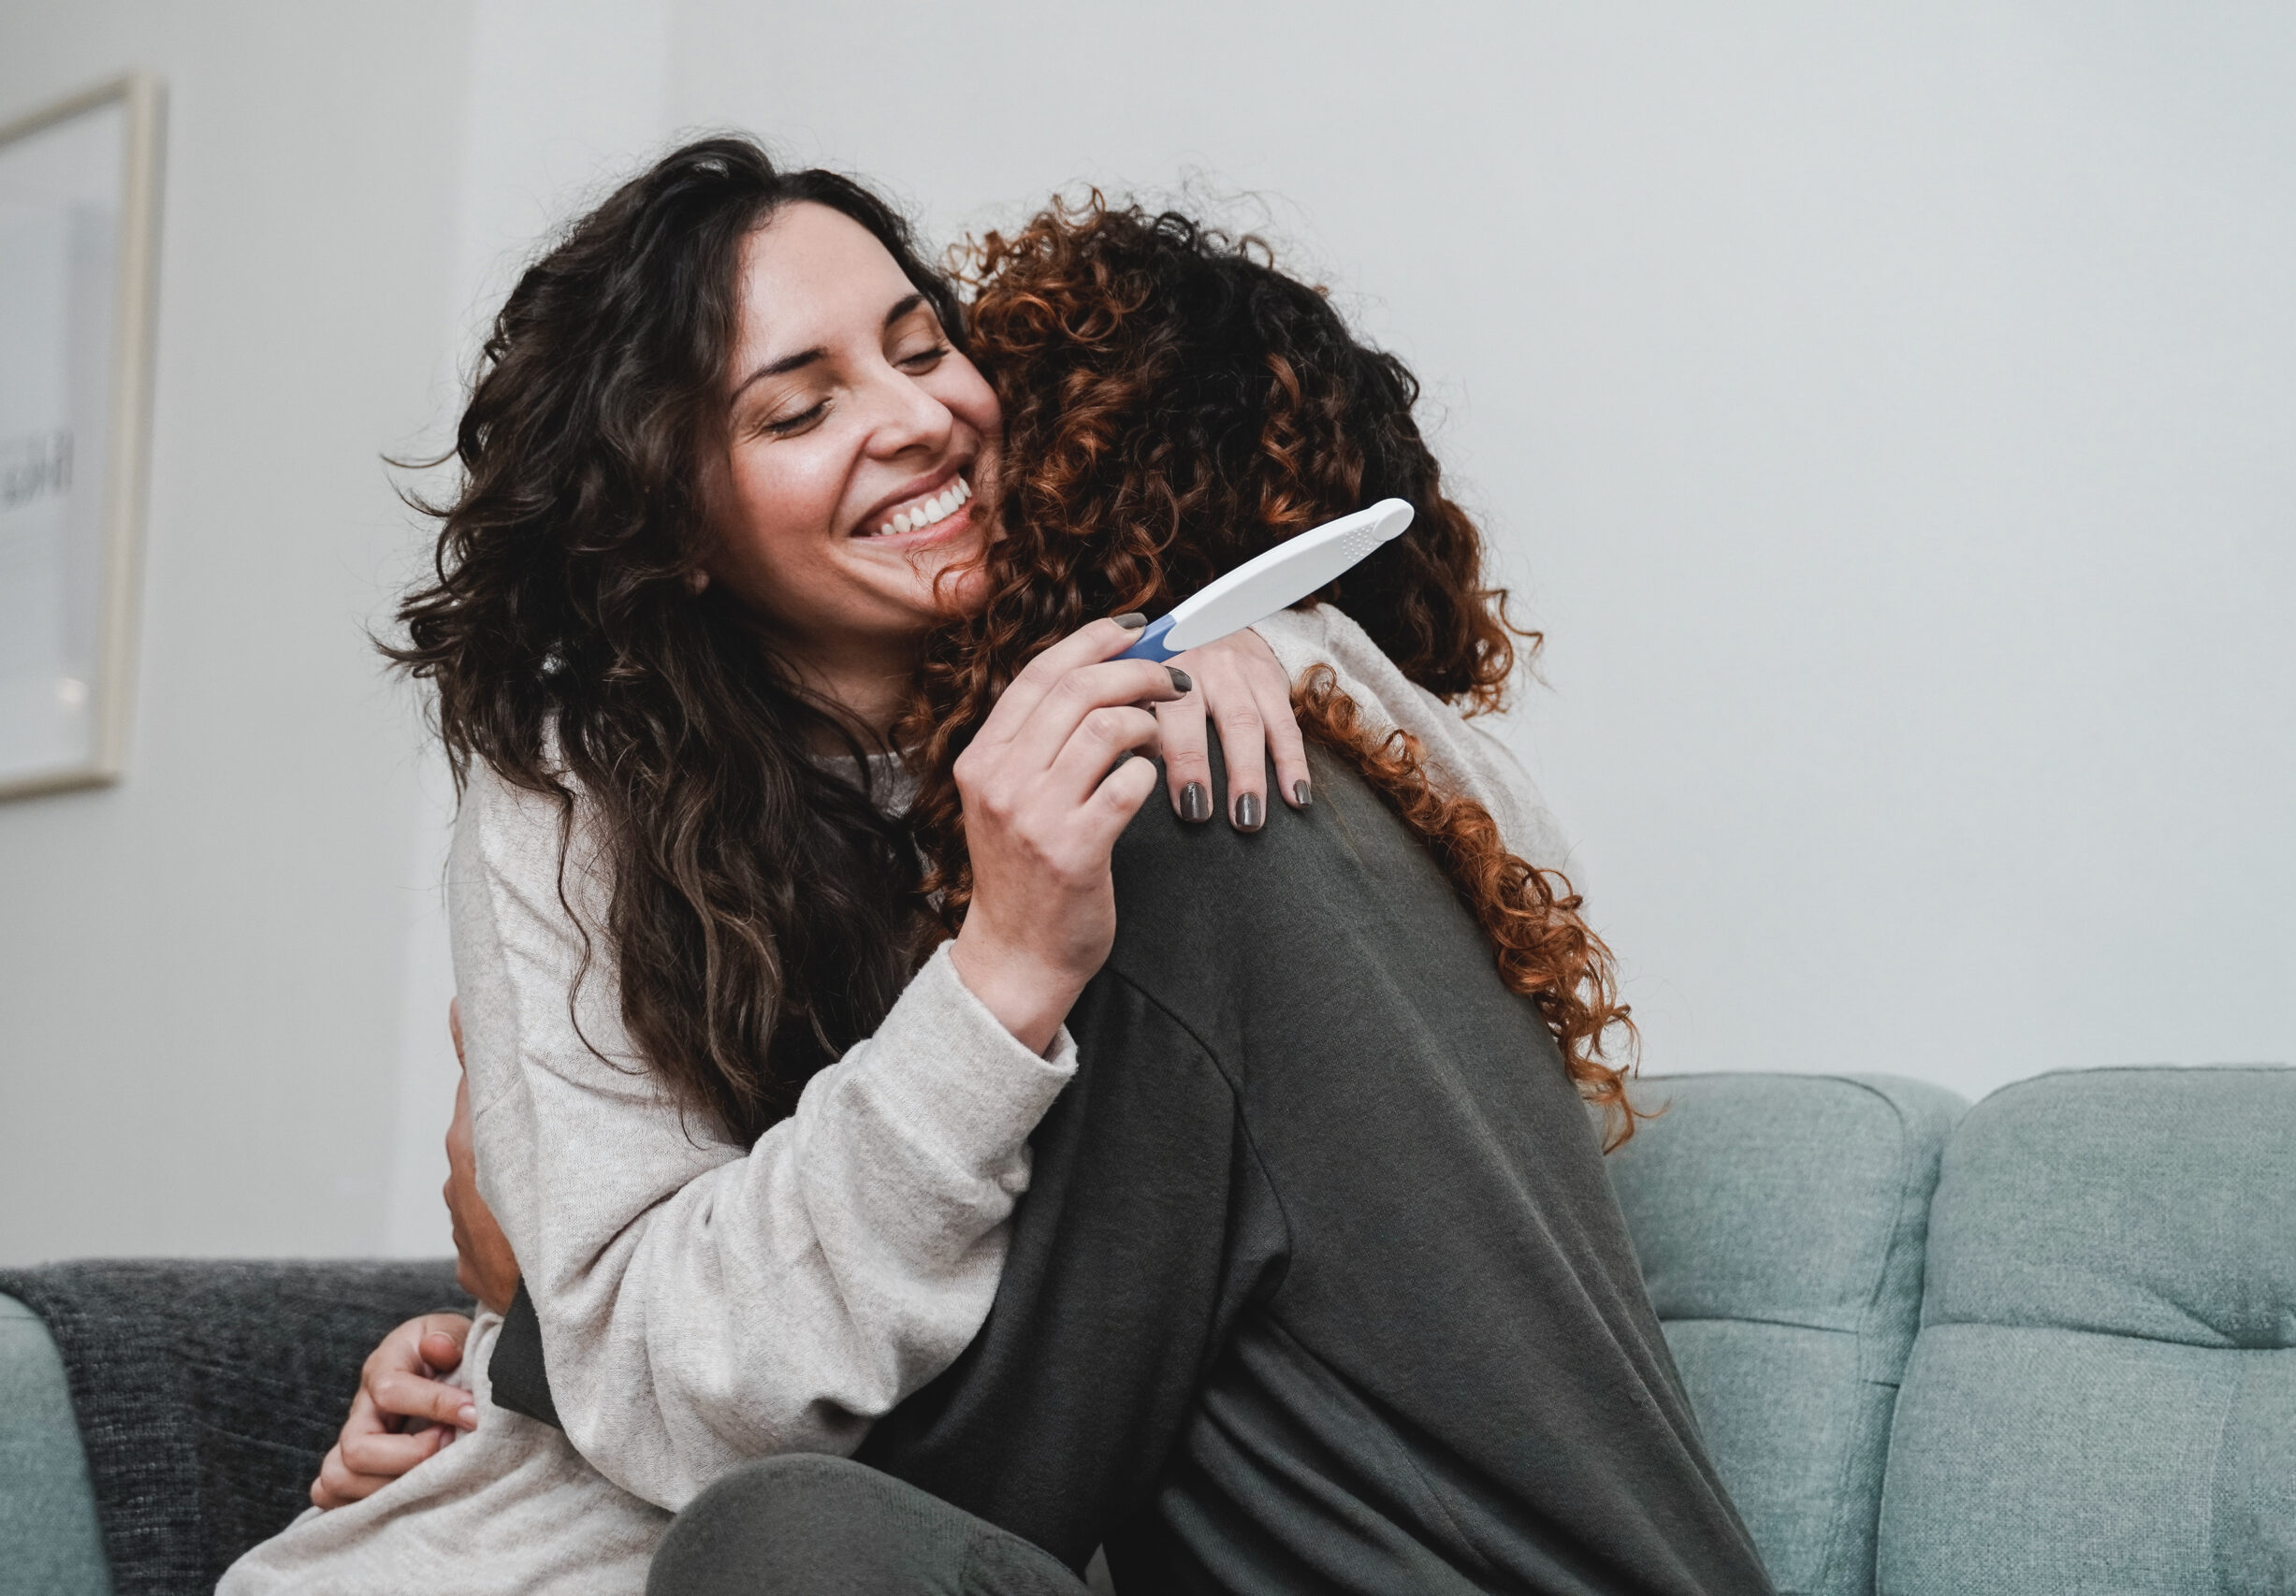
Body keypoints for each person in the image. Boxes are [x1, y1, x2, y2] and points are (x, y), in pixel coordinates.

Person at [217, 144, 1587, 1593]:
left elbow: (1506, 964)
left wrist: (1268, 648)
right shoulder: (570, 797)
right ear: (676, 523)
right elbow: (660, 1372)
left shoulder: (1102, 701)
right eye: (800, 408)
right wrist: (995, 983)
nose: (917, 418)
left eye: (925, 348)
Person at [636, 201, 1773, 1594]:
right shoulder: (1333, 819)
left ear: (1063, 537)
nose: (936, 442)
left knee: (779, 1541)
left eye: (985, 425)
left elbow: (986, 1459)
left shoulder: (1195, 816)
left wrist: (557, 1358)